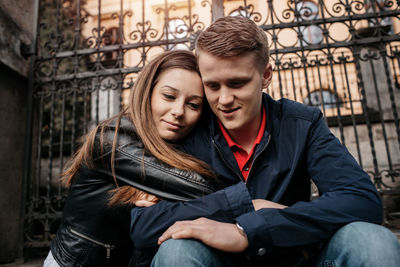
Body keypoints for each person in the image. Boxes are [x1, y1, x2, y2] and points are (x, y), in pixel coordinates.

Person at [129, 16, 400, 266]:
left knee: (372, 241)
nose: (223, 100)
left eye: (237, 84)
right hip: (219, 261)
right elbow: (145, 228)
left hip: (293, 258)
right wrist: (244, 203)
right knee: (177, 252)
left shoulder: (301, 124)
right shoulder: (188, 130)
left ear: (266, 75)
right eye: (212, 86)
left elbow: (361, 201)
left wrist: (249, 228)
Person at [43, 50, 220, 267]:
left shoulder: (179, 150)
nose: (178, 111)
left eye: (193, 104)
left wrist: (164, 199)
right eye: (169, 96)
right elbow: (207, 191)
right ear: (148, 92)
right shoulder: (111, 140)